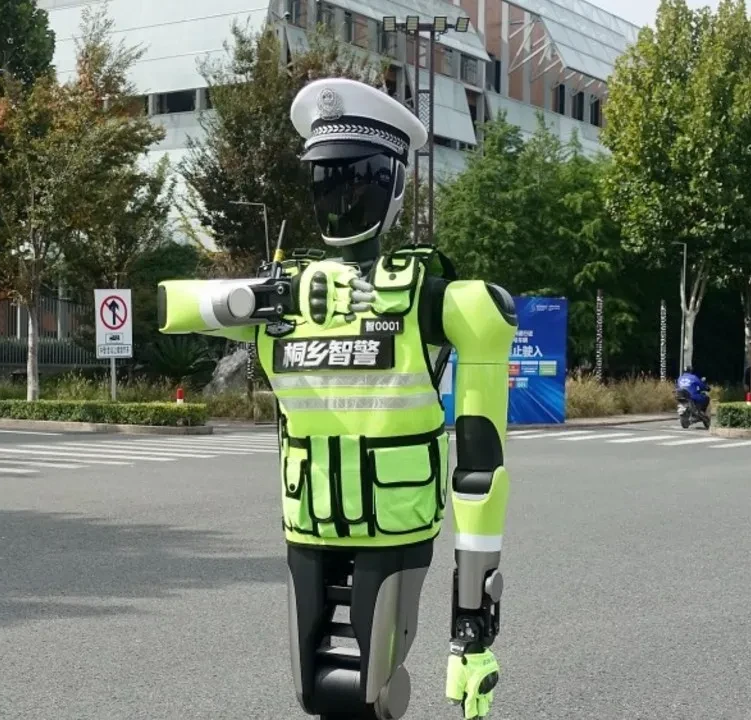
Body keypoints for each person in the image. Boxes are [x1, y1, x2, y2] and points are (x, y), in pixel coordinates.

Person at [156, 78, 517, 720]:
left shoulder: (439, 301)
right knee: (313, 693)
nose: (340, 197)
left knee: (372, 692)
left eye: (361, 179)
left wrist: (473, 626)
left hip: (394, 524)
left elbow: (480, 469)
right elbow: (174, 304)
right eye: (325, 181)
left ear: (396, 187)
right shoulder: (284, 300)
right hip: (309, 520)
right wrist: (267, 297)